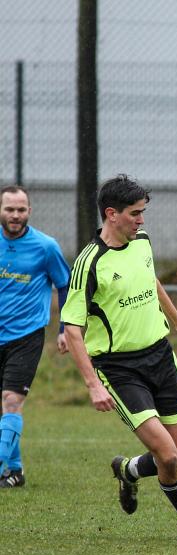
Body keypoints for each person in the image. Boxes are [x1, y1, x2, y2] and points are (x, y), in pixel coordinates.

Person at [61, 175, 177, 541]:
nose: (141, 221)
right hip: (120, 370)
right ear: (111, 214)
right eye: (135, 214)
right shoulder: (89, 264)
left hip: (160, 357)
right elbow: (72, 329)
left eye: (143, 213)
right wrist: (93, 385)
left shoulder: (141, 243)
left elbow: (151, 281)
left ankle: (128, 470)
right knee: (169, 457)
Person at [0, 185, 70, 488]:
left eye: (21, 209)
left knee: (11, 401)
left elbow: (65, 286)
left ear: (29, 211)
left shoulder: (46, 247)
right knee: (4, 409)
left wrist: (65, 328)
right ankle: (14, 471)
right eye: (9, 209)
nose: (15, 215)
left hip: (26, 336)